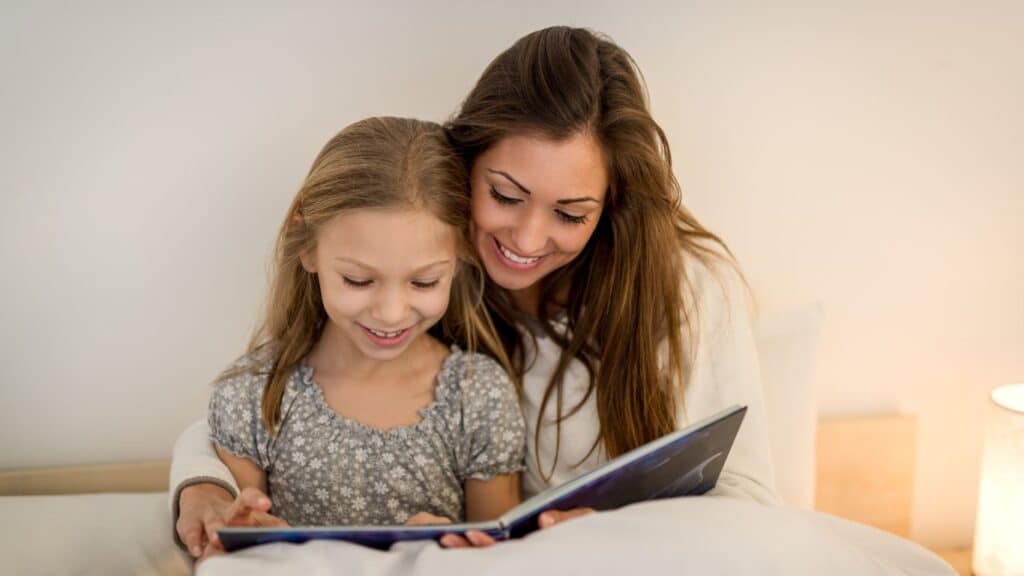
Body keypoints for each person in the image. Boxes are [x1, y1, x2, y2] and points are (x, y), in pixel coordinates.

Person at [171, 26, 779, 556]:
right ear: (465, 166)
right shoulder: (427, 260)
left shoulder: (688, 289)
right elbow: (256, 405)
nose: (527, 237)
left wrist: (624, 534)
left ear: (610, 207)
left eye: (570, 214)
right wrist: (204, 485)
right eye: (507, 196)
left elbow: (747, 497)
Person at [182, 116, 526, 557]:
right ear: (306, 245)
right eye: (359, 280)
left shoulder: (479, 396)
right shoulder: (251, 396)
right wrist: (240, 535)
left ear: (459, 259)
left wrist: (455, 552)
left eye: (423, 283)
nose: (390, 312)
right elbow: (239, 552)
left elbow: (505, 557)